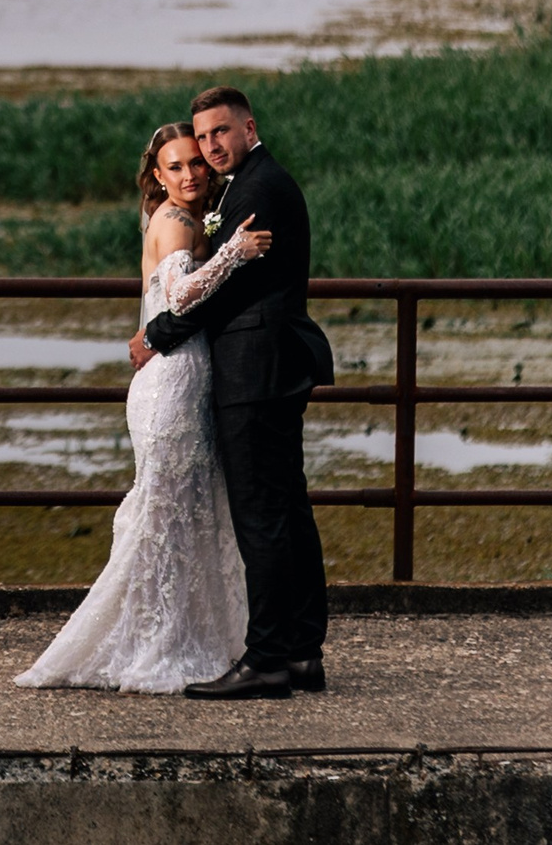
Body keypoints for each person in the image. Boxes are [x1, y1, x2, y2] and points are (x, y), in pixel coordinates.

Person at [16, 123, 268, 692]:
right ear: (157, 176)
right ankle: (151, 644)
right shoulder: (174, 222)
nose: (190, 174)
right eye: (175, 167)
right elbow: (179, 296)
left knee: (185, 517)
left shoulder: (192, 217)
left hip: (185, 375)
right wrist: (235, 251)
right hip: (171, 388)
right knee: (163, 517)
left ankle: (178, 633)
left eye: (195, 163)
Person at [132, 85, 335, 700]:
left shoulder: (257, 189)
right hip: (266, 366)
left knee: (264, 518)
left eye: (221, 133)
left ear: (249, 126)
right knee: (287, 511)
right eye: (204, 137)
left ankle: (270, 658)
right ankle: (300, 653)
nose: (213, 147)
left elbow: (220, 290)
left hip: (256, 369)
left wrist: (156, 335)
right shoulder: (251, 185)